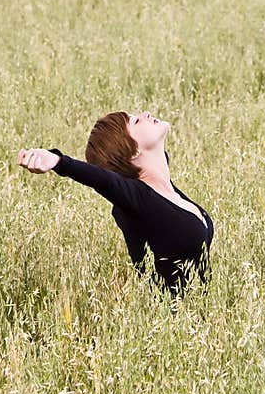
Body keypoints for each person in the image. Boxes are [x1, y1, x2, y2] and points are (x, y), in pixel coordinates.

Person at [17, 110, 214, 299]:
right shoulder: (137, 203)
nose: (145, 114)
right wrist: (59, 162)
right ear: (133, 150)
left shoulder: (164, 188)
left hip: (206, 320)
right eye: (136, 121)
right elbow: (107, 182)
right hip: (174, 325)